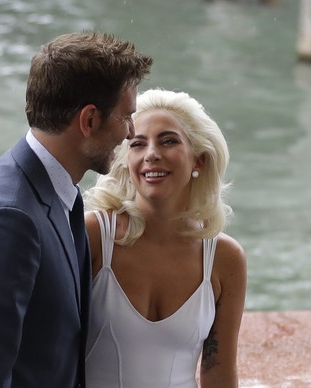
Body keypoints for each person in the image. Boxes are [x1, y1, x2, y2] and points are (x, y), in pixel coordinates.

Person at [0, 31, 152, 388]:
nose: (130, 132)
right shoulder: (7, 220)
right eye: (126, 117)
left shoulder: (58, 194)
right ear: (89, 120)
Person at [83, 88, 247, 387]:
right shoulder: (94, 236)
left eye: (168, 141)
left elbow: (219, 374)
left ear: (198, 160)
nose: (152, 154)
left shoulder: (223, 257)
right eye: (137, 144)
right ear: (125, 158)